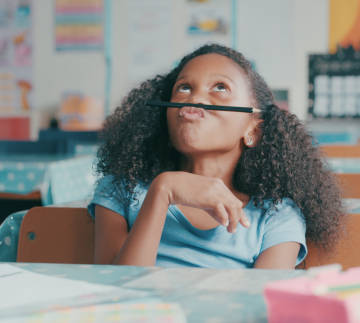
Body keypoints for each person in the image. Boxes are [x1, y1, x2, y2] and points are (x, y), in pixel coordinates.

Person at [88, 44, 345, 269]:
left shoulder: (277, 216)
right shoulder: (122, 191)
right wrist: (163, 190)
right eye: (184, 88)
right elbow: (116, 293)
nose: (196, 97)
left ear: (252, 129)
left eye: (220, 87)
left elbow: (261, 307)